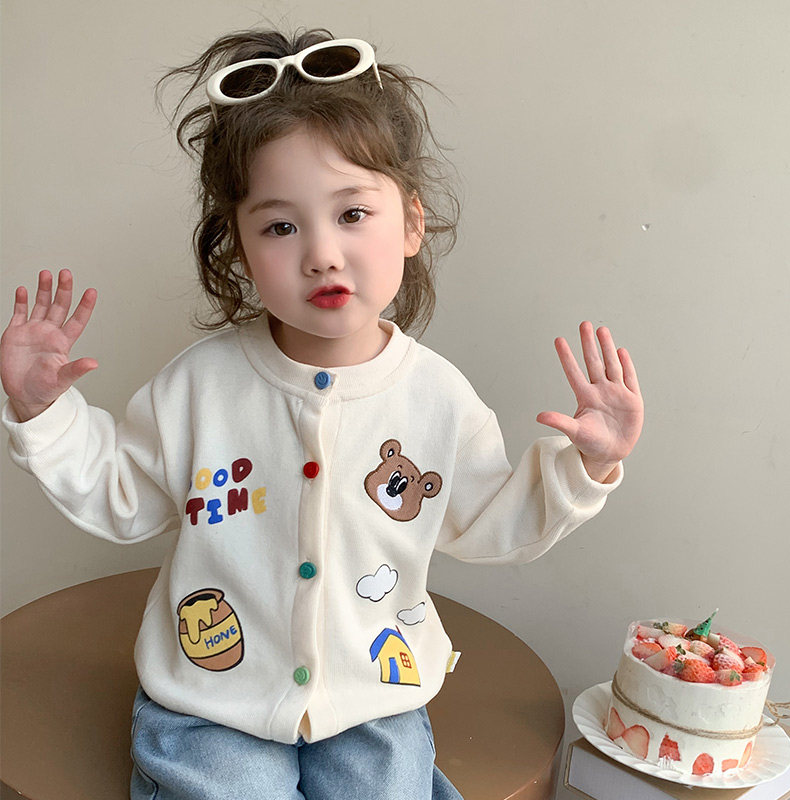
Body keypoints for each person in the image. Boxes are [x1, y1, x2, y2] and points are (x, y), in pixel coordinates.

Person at [0, 28, 644, 800]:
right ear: (239, 250)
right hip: (213, 698)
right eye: (280, 226)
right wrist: (43, 411)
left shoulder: (438, 397)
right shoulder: (200, 385)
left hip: (373, 695)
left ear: (411, 223)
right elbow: (123, 494)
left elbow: (490, 520)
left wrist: (588, 465)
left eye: (352, 213)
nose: (322, 253)